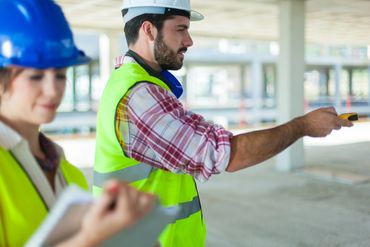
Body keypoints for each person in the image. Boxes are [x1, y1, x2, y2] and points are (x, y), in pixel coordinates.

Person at [93, 0, 354, 246]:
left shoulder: (139, 85)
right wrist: (303, 126)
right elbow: (224, 154)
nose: (189, 41)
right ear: (148, 30)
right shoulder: (140, 96)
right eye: (181, 29)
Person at [0, 0, 155, 246]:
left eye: (60, 75)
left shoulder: (69, 174)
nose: (53, 90)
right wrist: (89, 237)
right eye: (36, 76)